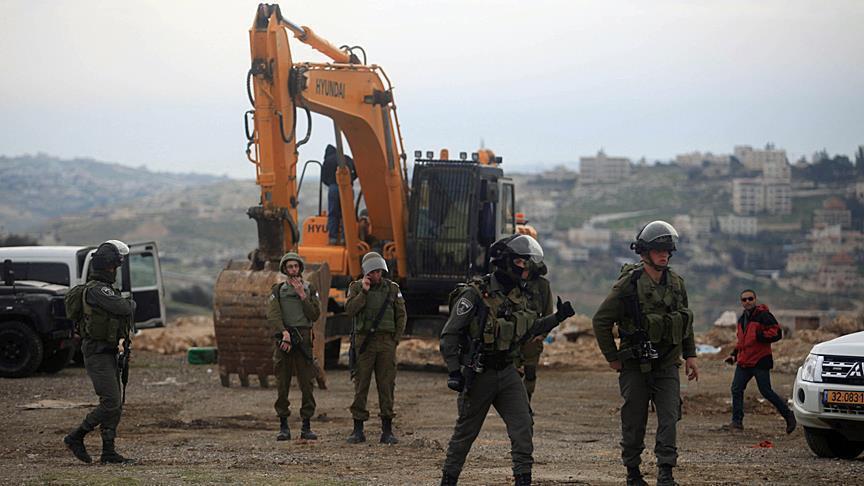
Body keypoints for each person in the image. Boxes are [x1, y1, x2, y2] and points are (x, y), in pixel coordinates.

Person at [439, 235, 574, 486]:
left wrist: (557, 318)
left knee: (523, 426)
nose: (526, 268)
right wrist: (455, 372)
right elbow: (449, 335)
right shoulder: (474, 294)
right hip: (480, 374)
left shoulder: (518, 295)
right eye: (521, 262)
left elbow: (529, 329)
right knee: (465, 433)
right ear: (506, 262)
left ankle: (523, 479)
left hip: (508, 371)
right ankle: (448, 480)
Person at [592, 221, 698, 486]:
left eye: (667, 251)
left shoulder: (676, 283)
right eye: (658, 251)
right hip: (635, 365)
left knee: (669, 417)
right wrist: (612, 357)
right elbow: (601, 321)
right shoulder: (629, 284)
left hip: (667, 362)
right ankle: (633, 472)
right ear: (645, 253)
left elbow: (684, 321)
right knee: (634, 420)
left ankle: (666, 472)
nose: (664, 255)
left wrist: (691, 355)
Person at [63, 240, 136, 464]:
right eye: (114, 267)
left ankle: (109, 452)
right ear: (106, 267)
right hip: (97, 353)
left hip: (107, 351)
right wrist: (130, 304)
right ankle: (76, 436)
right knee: (111, 402)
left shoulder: (105, 289)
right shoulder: (98, 290)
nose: (115, 271)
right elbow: (123, 307)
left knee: (115, 404)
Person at [345, 252, 406, 444]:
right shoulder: (356, 287)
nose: (376, 275)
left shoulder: (392, 288)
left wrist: (395, 340)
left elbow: (401, 315)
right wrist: (364, 292)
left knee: (386, 385)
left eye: (379, 271)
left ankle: (387, 430)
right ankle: (358, 429)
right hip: (365, 342)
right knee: (361, 384)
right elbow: (350, 310)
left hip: (386, 342)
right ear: (367, 272)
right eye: (373, 272)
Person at [724, 289, 796, 434]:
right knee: (736, 389)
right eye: (744, 299)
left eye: (750, 299)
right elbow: (742, 341)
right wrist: (733, 355)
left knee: (766, 391)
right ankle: (737, 423)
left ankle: (789, 415)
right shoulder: (742, 319)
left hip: (760, 360)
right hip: (744, 362)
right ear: (741, 302)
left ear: (755, 299)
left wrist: (760, 335)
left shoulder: (764, 315)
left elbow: (777, 333)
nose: (747, 302)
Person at [267, 252, 321, 441]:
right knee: (282, 383)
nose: (293, 269)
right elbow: (273, 314)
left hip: (304, 339)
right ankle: (283, 425)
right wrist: (284, 332)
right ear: (285, 269)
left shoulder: (309, 288)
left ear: (300, 268)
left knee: (307, 383)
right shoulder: (278, 290)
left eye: (296, 266)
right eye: (290, 266)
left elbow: (314, 315)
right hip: (285, 339)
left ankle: (306, 425)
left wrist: (302, 296)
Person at [517, 261, 554, 405]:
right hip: (515, 334)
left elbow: (548, 312)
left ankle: (527, 403)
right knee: (512, 372)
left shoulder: (542, 285)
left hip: (533, 336)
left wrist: (542, 335)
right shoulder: (514, 282)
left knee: (530, 371)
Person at [322, 144, 357, 245]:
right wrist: (350, 180)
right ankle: (345, 238)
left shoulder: (327, 161)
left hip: (333, 188)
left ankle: (332, 238)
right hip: (347, 187)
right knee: (347, 213)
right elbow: (357, 172)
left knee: (333, 213)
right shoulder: (347, 158)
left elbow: (323, 178)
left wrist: (331, 183)